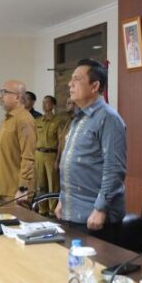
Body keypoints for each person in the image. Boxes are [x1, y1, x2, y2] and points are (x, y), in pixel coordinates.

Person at [55, 59, 126, 242]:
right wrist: (63, 199)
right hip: (72, 211)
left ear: (95, 86)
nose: (70, 84)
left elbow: (114, 169)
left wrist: (100, 208)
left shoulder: (108, 118)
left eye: (77, 79)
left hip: (94, 216)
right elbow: (71, 163)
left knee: (92, 261)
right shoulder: (79, 118)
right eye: (71, 79)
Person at [0, 80, 36, 202]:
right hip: (2, 190)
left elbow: (28, 158)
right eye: (0, 92)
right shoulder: (8, 119)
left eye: (4, 92)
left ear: (17, 97)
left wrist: (23, 189)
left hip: (15, 194)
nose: (0, 96)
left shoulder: (24, 120)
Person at [34, 95, 60, 215]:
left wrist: (58, 160)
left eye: (47, 102)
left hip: (51, 155)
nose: (44, 105)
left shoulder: (57, 121)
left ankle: (52, 210)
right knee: (40, 184)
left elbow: (60, 142)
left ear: (53, 105)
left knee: (52, 184)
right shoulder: (38, 120)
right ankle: (42, 208)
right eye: (43, 102)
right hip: (39, 154)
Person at [55, 97, 75, 171]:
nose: (66, 105)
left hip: (74, 162)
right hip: (65, 160)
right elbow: (61, 142)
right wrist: (58, 160)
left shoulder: (80, 122)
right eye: (66, 103)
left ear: (76, 105)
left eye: (69, 103)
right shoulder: (68, 121)